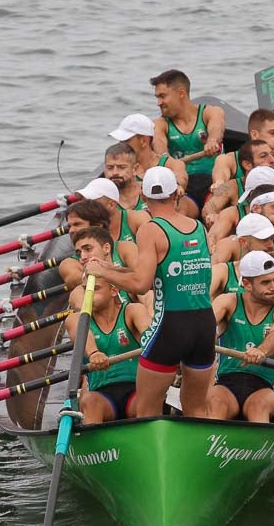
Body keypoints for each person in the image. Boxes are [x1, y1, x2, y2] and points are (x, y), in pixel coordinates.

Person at [84, 166, 215, 419]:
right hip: (204, 324)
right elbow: (148, 272)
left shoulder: (150, 230)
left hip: (171, 327)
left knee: (146, 409)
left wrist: (101, 273)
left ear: (143, 198)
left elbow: (141, 284)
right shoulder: (198, 227)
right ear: (177, 194)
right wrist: (109, 268)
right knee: (197, 409)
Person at [64, 227, 151, 425]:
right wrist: (94, 353)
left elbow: (151, 335)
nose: (88, 294)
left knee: (148, 401)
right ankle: (98, 448)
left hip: (136, 390)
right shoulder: (78, 319)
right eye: (86, 290)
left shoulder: (132, 312)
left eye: (95, 290)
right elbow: (82, 333)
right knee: (90, 401)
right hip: (102, 397)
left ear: (113, 290)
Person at [209, 251, 274, 422]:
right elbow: (207, 323)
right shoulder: (228, 301)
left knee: (258, 408)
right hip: (226, 384)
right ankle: (210, 443)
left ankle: (256, 443)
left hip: (264, 387)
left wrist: (261, 351)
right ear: (247, 284)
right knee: (215, 404)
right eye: (265, 282)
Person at [149, 69, 224, 206]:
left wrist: (212, 140)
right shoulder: (160, 124)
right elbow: (158, 142)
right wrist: (166, 159)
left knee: (220, 200)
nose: (159, 103)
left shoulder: (210, 112)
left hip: (215, 183)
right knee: (179, 207)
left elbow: (216, 127)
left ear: (181, 93)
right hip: (182, 187)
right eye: (157, 97)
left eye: (162, 96)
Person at [108, 111, 194, 216]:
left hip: (165, 212)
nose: (121, 145)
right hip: (134, 216)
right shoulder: (117, 171)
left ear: (144, 141)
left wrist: (177, 186)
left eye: (126, 141)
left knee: (181, 204)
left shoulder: (171, 164)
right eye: (120, 141)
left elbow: (181, 178)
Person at [208, 108, 274, 196]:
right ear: (254, 135)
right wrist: (219, 183)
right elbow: (219, 186)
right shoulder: (227, 160)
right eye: (273, 133)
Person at [210, 213, 274, 299]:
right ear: (243, 242)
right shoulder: (221, 272)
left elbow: (270, 307)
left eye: (272, 239)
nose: (271, 245)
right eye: (264, 240)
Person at [58, 198, 137, 290]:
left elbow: (141, 278)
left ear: (98, 226)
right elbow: (74, 280)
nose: (71, 231)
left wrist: (103, 271)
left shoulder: (126, 247)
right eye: (69, 226)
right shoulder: (68, 263)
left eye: (77, 224)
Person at [202, 138, 274, 227]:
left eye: (272, 155)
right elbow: (209, 206)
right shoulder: (227, 186)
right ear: (247, 165)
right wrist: (212, 215)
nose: (273, 160)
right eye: (263, 156)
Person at [103, 142, 142, 210]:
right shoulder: (101, 198)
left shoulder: (148, 190)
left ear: (135, 169)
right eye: (110, 167)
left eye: (122, 167)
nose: (115, 173)